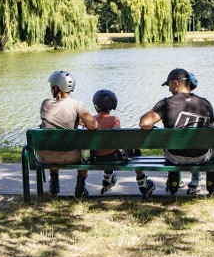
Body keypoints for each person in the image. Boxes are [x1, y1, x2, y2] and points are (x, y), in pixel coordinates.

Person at [138, 68, 214, 197]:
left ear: (175, 83)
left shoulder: (166, 104)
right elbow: (211, 129)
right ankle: (212, 179)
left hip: (174, 156)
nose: (168, 89)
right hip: (202, 156)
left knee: (172, 145)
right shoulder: (205, 103)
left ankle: (173, 179)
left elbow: (144, 123)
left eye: (169, 85)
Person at [39, 70, 98, 198]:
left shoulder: (45, 104)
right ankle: (80, 186)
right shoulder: (77, 105)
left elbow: (53, 122)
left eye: (51, 86)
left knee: (53, 143)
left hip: (45, 156)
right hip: (71, 156)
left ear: (57, 88)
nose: (50, 89)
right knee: (85, 150)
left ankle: (54, 180)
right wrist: (80, 120)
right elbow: (93, 125)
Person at [90, 89, 156, 200]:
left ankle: (107, 179)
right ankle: (143, 184)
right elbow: (117, 139)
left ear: (96, 105)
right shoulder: (114, 119)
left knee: (107, 149)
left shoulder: (92, 120)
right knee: (135, 151)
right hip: (112, 156)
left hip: (96, 157)